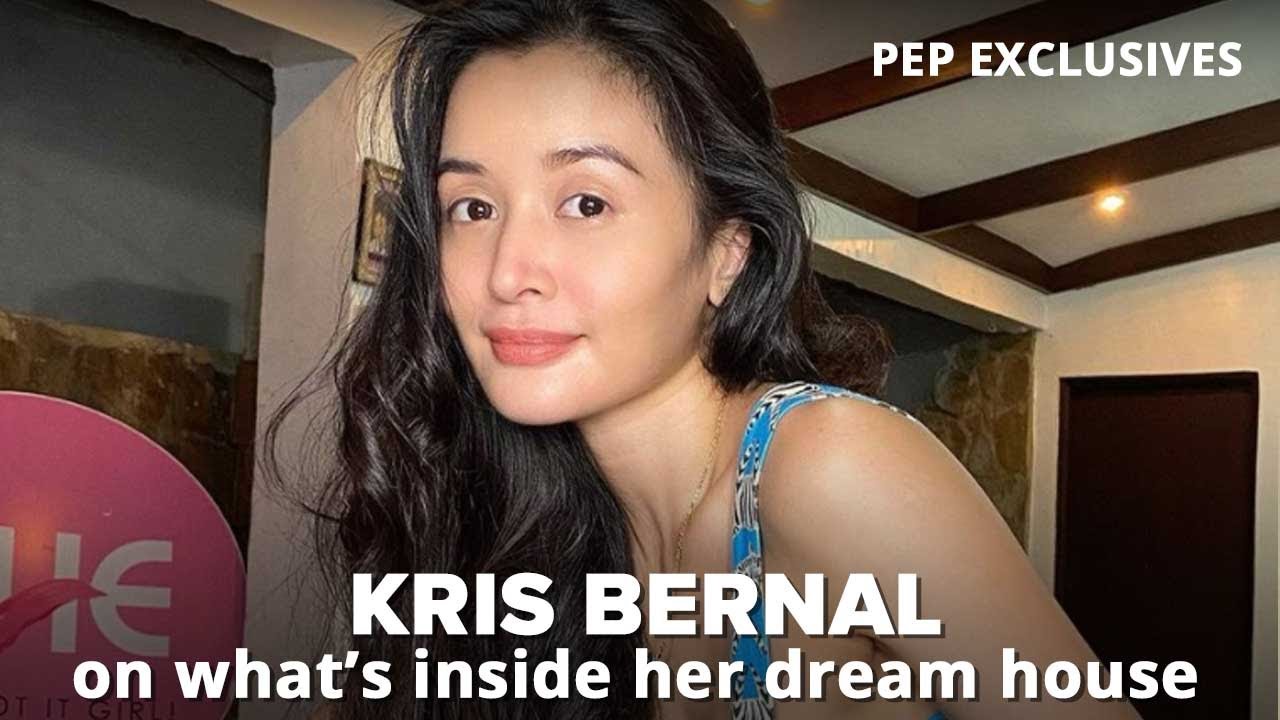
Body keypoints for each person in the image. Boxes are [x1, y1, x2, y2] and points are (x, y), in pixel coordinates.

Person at [268, 1, 1144, 719]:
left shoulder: (827, 463)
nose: (507, 273)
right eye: (472, 207)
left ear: (727, 252)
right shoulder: (537, 513)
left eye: (585, 202)